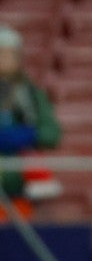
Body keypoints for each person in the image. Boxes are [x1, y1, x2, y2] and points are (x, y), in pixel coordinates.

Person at [0, 25, 58, 204]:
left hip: (22, 179)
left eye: (5, 54)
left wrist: (27, 134)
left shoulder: (31, 95)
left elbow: (51, 134)